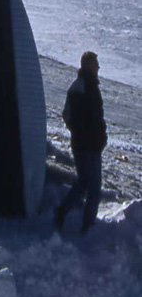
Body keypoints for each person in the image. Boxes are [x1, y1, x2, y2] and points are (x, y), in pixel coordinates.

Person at [55, 51, 107, 234]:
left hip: (92, 145)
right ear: (88, 65)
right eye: (95, 64)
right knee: (93, 188)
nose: (98, 67)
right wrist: (85, 134)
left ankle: (63, 212)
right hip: (85, 146)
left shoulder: (90, 86)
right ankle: (87, 228)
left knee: (85, 184)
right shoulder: (81, 87)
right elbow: (71, 117)